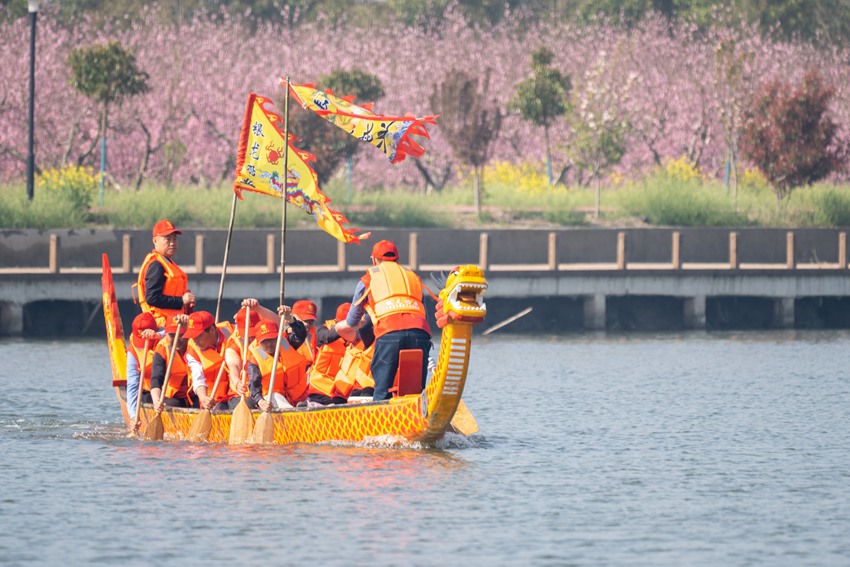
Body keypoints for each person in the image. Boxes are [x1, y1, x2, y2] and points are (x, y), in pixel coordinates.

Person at [342, 240, 431, 401]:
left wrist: (344, 326)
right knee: (415, 391)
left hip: (389, 333)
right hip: (420, 333)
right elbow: (423, 311)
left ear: (374, 260)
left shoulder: (368, 278)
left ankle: (380, 419)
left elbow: (353, 320)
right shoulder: (413, 276)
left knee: (381, 391)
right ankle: (416, 419)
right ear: (397, 260)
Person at [134, 219, 195, 328]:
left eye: (174, 239)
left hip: (173, 323)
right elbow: (152, 298)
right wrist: (181, 301)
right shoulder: (156, 266)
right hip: (161, 326)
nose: (172, 243)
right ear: (155, 240)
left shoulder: (167, 263)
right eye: (167, 239)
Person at [223, 299, 278, 408]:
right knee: (247, 404)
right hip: (243, 393)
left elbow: (279, 323)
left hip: (266, 391)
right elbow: (234, 365)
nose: (251, 337)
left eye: (253, 333)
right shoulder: (233, 346)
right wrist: (237, 381)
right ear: (239, 330)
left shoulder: (266, 338)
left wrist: (258, 308)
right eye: (247, 334)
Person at [246, 316, 309, 410]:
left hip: (298, 397)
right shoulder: (254, 359)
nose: (269, 344)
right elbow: (254, 385)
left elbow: (301, 334)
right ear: (258, 342)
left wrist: (291, 320)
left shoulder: (287, 344)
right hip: (270, 400)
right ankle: (291, 413)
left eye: (272, 339)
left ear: (278, 337)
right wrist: (260, 401)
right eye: (264, 342)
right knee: (274, 396)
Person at [183, 310, 233, 410]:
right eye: (193, 337)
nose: (195, 341)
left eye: (199, 336)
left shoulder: (233, 333)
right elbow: (198, 378)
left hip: (236, 393)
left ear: (212, 330)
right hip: (213, 399)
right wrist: (203, 398)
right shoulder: (192, 350)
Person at [305, 302, 350, 405]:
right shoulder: (323, 330)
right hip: (319, 392)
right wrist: (345, 328)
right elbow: (326, 337)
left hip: (342, 393)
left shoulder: (359, 337)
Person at [150, 314, 194, 411]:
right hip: (174, 397)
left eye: (181, 335)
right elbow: (156, 380)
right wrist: (156, 400)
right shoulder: (162, 352)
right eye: (172, 335)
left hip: (195, 395)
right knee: (170, 405)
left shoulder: (196, 345)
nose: (176, 340)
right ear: (166, 335)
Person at [126, 312, 161, 430]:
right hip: (147, 390)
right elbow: (132, 385)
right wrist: (132, 416)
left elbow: (178, 333)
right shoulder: (133, 351)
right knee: (146, 400)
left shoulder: (167, 339)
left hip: (169, 390)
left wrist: (158, 335)